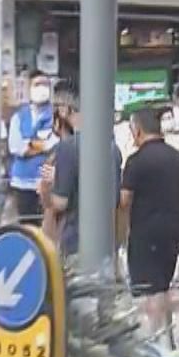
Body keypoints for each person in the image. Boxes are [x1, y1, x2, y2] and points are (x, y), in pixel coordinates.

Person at [122, 105, 179, 341]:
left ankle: (158, 342)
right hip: (172, 231)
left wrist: (121, 234)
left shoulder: (135, 162)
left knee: (151, 292)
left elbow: (125, 201)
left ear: (137, 130)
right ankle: (167, 337)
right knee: (163, 287)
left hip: (145, 233)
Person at [42, 89, 121, 259]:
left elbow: (59, 203)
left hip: (76, 241)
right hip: (107, 241)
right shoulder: (113, 148)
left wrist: (46, 188)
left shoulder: (68, 147)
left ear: (66, 110)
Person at [7, 70, 58, 224]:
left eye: (45, 84)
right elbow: (15, 147)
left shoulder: (56, 115)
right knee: (26, 227)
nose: (41, 88)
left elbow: (55, 144)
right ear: (29, 88)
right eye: (37, 84)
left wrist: (29, 144)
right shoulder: (19, 116)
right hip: (21, 183)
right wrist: (42, 146)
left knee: (46, 226)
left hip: (47, 182)